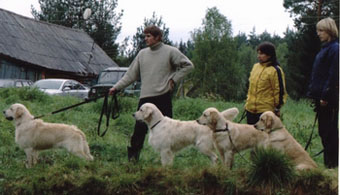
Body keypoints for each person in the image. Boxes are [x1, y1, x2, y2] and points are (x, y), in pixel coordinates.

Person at [109, 25, 194, 162]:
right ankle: (133, 159)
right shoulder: (142, 54)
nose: (145, 39)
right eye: (145, 36)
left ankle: (166, 160)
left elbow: (188, 65)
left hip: (163, 97)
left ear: (158, 37)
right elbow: (131, 75)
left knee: (168, 132)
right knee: (139, 131)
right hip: (146, 98)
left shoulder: (170, 51)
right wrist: (116, 88)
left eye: (148, 36)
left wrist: (174, 79)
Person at [307, 17, 339, 169]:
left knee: (330, 133)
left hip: (328, 99)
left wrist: (325, 96)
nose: (318, 34)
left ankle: (333, 167)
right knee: (324, 132)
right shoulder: (326, 49)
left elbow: (333, 75)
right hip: (321, 99)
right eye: (317, 30)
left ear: (329, 31)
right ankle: (329, 165)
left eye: (321, 30)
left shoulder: (335, 49)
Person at [245, 42, 288, 124]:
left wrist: (277, 108)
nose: (259, 56)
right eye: (258, 53)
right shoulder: (255, 67)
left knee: (264, 136)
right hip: (250, 109)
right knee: (251, 136)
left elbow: (279, 91)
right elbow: (250, 88)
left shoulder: (275, 70)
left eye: (261, 54)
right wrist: (248, 103)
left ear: (269, 55)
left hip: (265, 111)